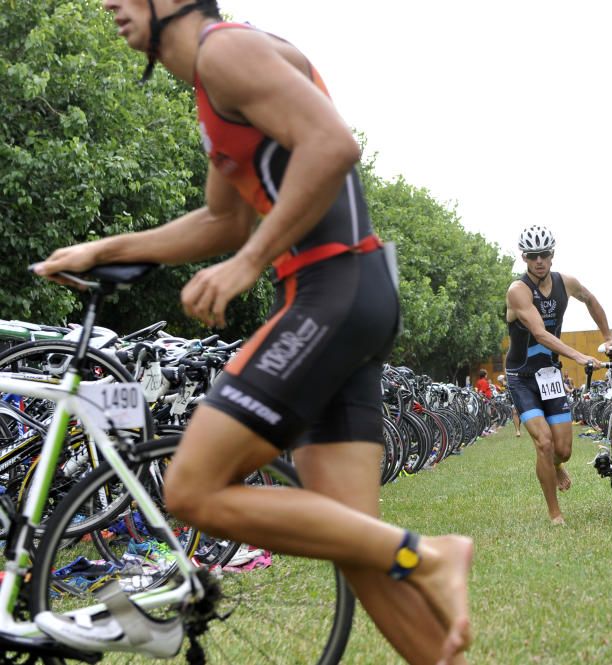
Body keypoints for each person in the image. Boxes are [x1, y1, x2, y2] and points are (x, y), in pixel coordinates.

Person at [32, 2, 472, 663]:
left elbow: (333, 144)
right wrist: (104, 249)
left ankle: (428, 553)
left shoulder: (225, 52)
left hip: (331, 290)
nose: (109, 5)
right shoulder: (214, 86)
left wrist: (248, 264)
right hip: (347, 296)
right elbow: (222, 221)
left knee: (190, 486)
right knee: (351, 543)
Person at [504, 225, 612, 525]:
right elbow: (540, 333)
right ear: (524, 258)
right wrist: (579, 355)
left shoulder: (565, 283)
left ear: (552, 255)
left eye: (543, 255)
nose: (538, 261)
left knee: (563, 451)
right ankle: (555, 513)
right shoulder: (518, 291)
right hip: (521, 376)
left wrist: (607, 336)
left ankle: (556, 466)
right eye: (532, 256)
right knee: (543, 443)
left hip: (549, 374)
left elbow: (590, 299)